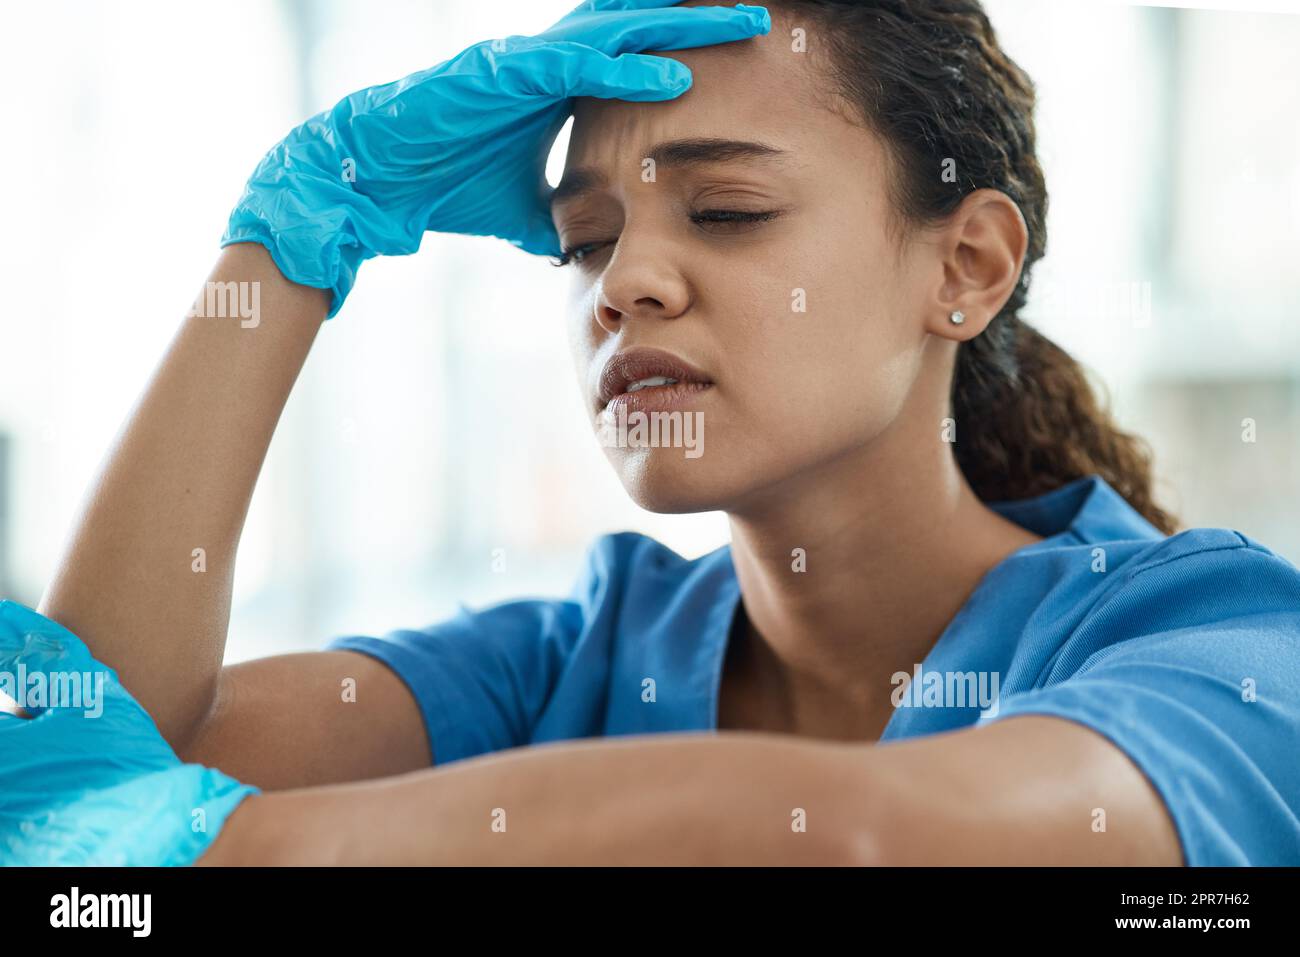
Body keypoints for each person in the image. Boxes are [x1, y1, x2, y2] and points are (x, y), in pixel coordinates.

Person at [21, 0, 1300, 865]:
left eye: (728, 210)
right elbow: (84, 765)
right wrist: (294, 237)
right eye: (585, 239)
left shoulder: (1217, 643)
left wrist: (243, 850)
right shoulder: (575, 662)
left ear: (964, 265)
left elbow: (861, 838)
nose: (624, 281)